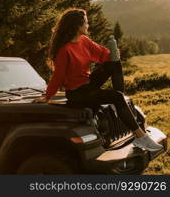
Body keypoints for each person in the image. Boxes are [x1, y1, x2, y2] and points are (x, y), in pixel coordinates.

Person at [35, 8, 162, 152]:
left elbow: (103, 54)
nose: (88, 26)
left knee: (113, 63)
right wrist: (47, 96)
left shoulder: (84, 41)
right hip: (77, 94)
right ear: (77, 26)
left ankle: (118, 97)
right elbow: (57, 78)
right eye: (86, 23)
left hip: (88, 84)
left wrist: (113, 54)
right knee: (117, 97)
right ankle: (141, 138)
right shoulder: (64, 51)